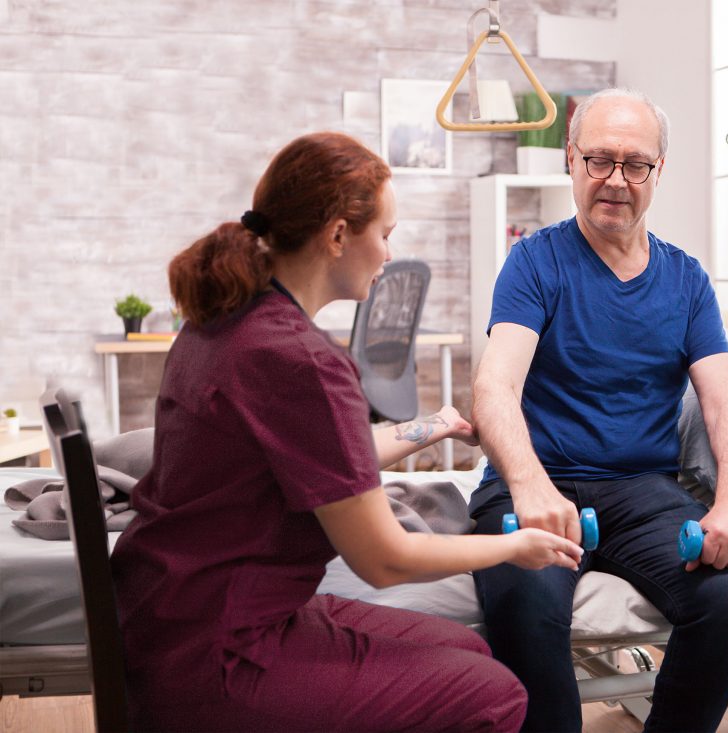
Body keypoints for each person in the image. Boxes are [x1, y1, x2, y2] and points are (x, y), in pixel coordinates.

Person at [109, 131, 583, 732]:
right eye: (384, 234)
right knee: (494, 697)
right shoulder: (299, 359)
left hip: (174, 614)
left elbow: (331, 455)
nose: (389, 255)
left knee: (470, 653)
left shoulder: (227, 321)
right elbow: (384, 560)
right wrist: (518, 548)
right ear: (337, 235)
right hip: (219, 654)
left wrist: (436, 425)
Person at [470, 88, 728, 732]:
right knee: (524, 600)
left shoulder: (686, 280)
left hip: (640, 492)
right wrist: (529, 486)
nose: (616, 180)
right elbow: (494, 388)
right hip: (534, 485)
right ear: (570, 160)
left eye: (636, 165)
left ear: (659, 172)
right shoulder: (534, 261)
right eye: (599, 160)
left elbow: (726, 404)